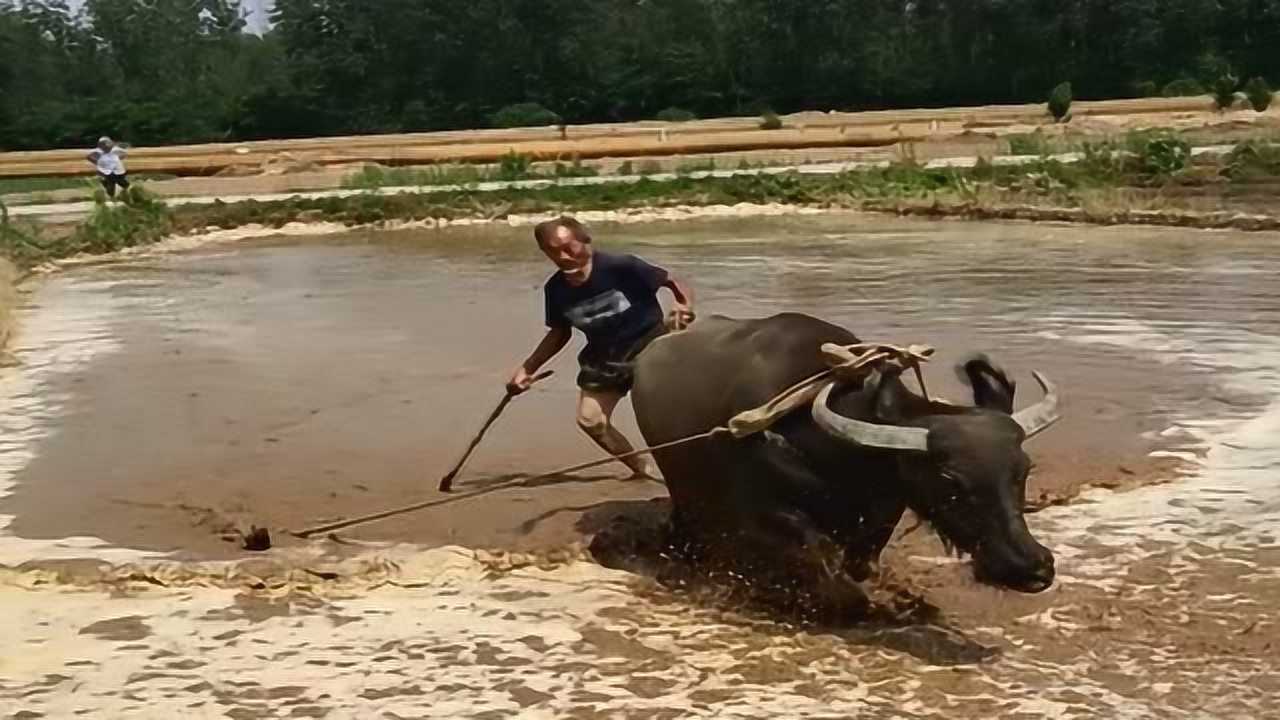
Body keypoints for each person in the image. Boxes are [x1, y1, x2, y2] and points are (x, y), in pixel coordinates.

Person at [508, 216, 695, 479]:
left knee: (670, 413)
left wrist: (683, 304)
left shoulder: (620, 266)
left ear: (585, 241)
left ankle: (692, 468)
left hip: (650, 345)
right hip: (605, 358)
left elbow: (673, 280)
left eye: (568, 247)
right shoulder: (556, 289)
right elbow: (560, 333)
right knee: (590, 420)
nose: (563, 257)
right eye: (552, 251)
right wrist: (527, 369)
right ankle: (643, 470)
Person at [86, 136, 130, 201]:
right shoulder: (98, 152)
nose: (106, 146)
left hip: (118, 170)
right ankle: (112, 197)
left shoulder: (115, 150)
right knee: (110, 183)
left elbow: (124, 154)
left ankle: (125, 195)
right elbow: (89, 157)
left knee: (122, 182)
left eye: (107, 143)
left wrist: (118, 158)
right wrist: (97, 162)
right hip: (106, 171)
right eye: (103, 144)